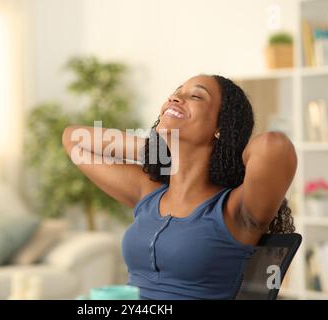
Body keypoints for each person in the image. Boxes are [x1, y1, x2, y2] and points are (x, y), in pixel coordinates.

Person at [62, 74, 297, 300]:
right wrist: (158, 149)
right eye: (175, 94)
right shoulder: (149, 192)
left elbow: (273, 146)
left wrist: (226, 150)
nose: (175, 99)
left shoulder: (234, 211)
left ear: (221, 127)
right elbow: (73, 139)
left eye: (196, 96)